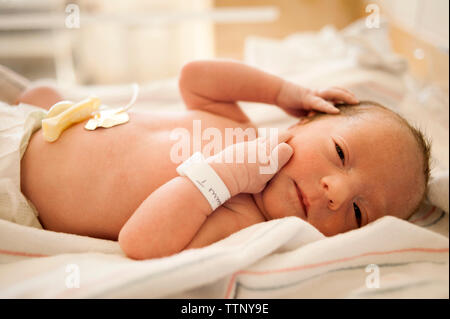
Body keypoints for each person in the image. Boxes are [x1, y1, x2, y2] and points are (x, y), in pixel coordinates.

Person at [1, 60, 430, 260]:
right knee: (38, 91)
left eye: (357, 213)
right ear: (305, 121)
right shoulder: (236, 122)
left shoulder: (239, 220)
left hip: (17, 181)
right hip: (42, 124)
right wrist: (282, 92)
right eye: (339, 153)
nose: (336, 191)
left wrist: (223, 177)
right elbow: (195, 76)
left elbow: (140, 242)